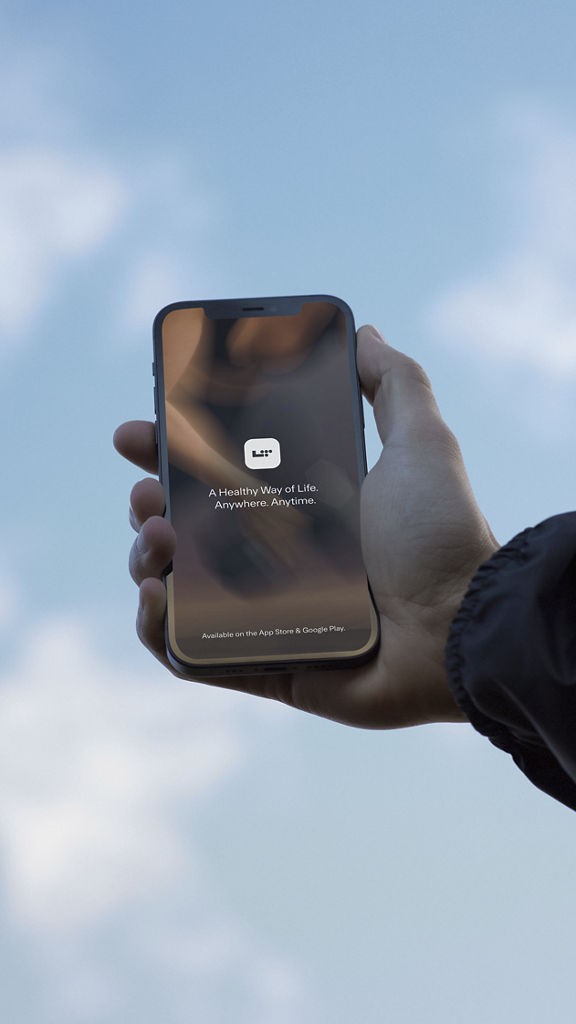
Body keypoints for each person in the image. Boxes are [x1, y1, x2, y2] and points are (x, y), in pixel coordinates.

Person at [113, 325, 576, 812]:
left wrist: (449, 614)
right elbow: (179, 415)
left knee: (324, 507)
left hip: (261, 490)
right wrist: (253, 494)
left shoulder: (271, 395)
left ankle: (320, 594)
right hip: (223, 480)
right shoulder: (197, 334)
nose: (287, 351)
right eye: (296, 341)